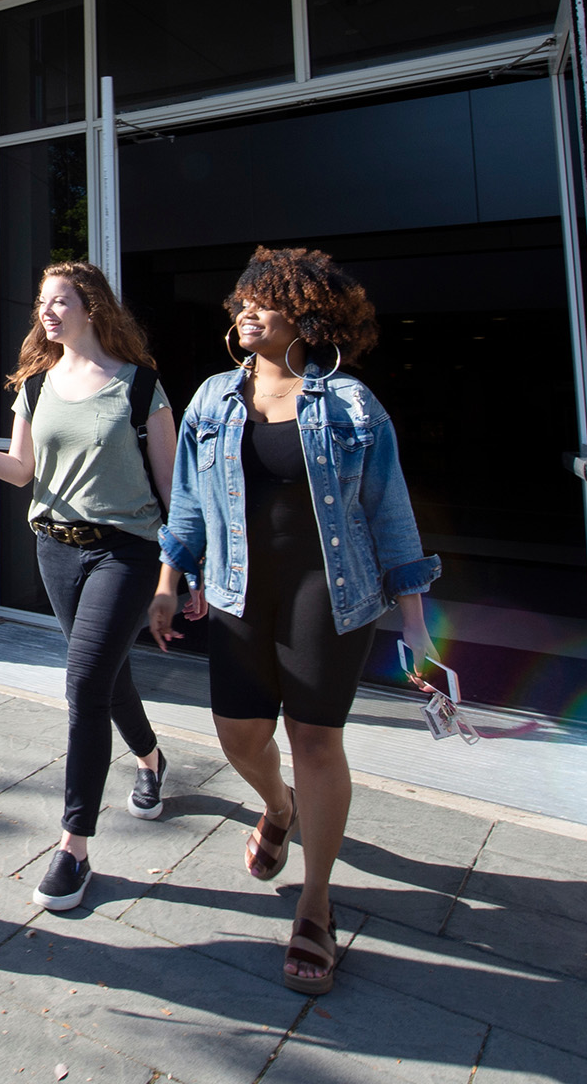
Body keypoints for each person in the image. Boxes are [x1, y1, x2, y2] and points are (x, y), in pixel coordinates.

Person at [152, 246, 439, 996]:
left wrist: (416, 627)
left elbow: (391, 514)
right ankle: (277, 807)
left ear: (307, 317)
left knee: (315, 739)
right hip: (238, 589)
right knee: (239, 734)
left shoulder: (350, 405)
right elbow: (186, 502)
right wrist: (167, 581)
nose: (246, 310)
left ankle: (316, 902)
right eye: (243, 300)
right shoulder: (213, 399)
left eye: (265, 301)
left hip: (328, 591)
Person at [0, 260, 176, 913]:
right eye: (42, 304)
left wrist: (177, 575)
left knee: (84, 683)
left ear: (91, 306)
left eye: (59, 301)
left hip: (125, 552)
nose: (46, 313)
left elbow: (176, 496)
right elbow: (23, 470)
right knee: (106, 678)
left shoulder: (140, 388)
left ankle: (74, 849)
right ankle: (149, 758)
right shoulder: (35, 385)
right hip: (56, 550)